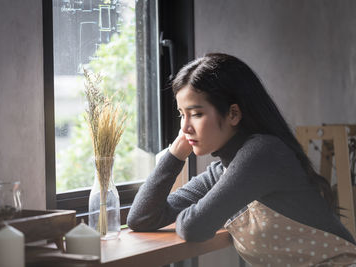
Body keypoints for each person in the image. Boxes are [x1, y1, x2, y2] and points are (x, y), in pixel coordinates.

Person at [127, 53, 356, 266]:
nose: (185, 127)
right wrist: (174, 155)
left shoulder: (263, 153)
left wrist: (201, 212)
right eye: (181, 114)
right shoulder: (220, 172)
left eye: (196, 114)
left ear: (233, 114)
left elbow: (194, 226)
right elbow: (142, 218)